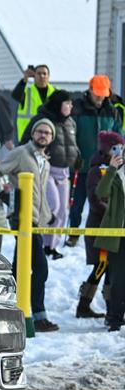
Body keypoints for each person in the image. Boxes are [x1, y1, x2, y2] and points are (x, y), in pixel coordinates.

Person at [0, 118, 58, 332]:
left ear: (51, 138)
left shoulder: (45, 162)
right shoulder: (21, 153)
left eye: (47, 133)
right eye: (39, 131)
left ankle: (10, 311)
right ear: (32, 134)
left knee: (19, 269)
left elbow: (39, 191)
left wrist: (47, 215)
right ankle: (38, 316)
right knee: (40, 268)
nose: (43, 135)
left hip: (35, 222)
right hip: (21, 219)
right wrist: (2, 193)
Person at [21, 90, 80, 259]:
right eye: (67, 103)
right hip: (46, 170)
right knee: (52, 206)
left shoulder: (70, 122)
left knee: (62, 211)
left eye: (71, 103)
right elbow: (25, 142)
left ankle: (51, 246)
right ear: (58, 104)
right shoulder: (42, 120)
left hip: (64, 171)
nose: (70, 106)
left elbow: (72, 144)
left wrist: (77, 156)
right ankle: (38, 241)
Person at [68, 75, 120, 246]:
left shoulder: (112, 110)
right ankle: (73, 233)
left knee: (102, 204)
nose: (99, 97)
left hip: (105, 167)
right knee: (77, 203)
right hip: (82, 165)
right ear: (89, 90)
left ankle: (102, 234)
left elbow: (119, 136)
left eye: (103, 94)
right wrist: (74, 155)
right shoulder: (77, 109)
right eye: (97, 93)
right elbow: (70, 135)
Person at [81, 131, 124, 319]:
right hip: (99, 227)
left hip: (112, 229)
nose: (119, 151)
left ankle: (109, 309)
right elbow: (96, 198)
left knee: (109, 268)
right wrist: (113, 211)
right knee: (101, 266)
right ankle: (84, 304)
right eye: (115, 147)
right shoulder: (96, 170)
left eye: (122, 147)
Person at [94, 136, 125, 331]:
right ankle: (114, 317)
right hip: (118, 234)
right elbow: (101, 192)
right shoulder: (113, 174)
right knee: (118, 279)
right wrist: (112, 168)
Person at [12, 65, 55, 141]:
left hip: (49, 136)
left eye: (44, 74)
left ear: (48, 76)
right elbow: (16, 95)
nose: (42, 76)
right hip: (28, 137)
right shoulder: (26, 92)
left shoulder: (55, 93)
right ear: (34, 76)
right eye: (39, 73)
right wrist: (25, 79)